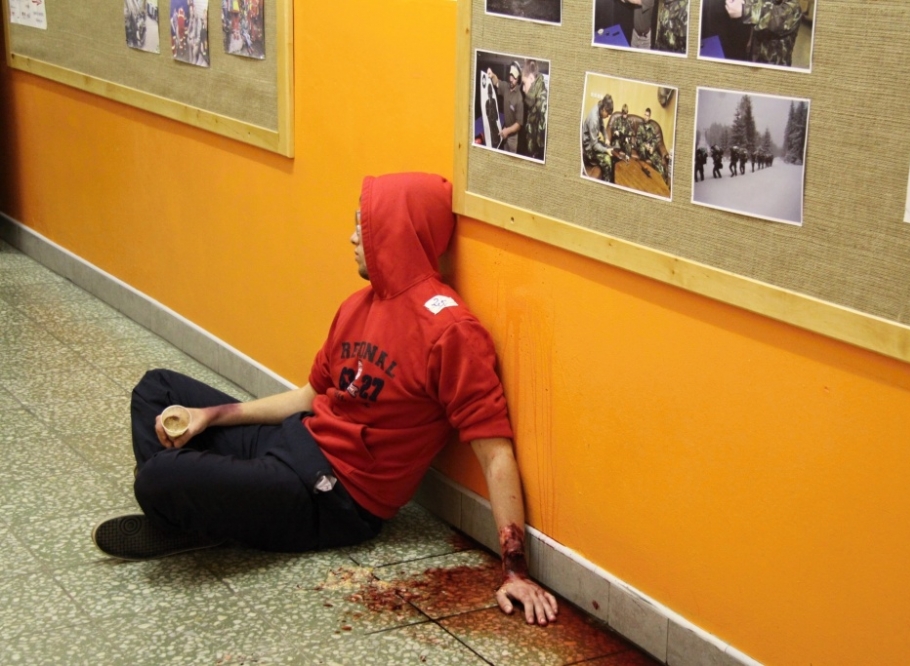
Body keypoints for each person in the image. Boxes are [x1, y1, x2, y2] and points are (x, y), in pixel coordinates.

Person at [91, 173, 559, 626]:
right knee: (158, 390)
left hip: (335, 500)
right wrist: (210, 416)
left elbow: (496, 454)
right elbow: (307, 397)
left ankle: (192, 505)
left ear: (397, 232)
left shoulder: (451, 333)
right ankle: (197, 513)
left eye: (364, 226)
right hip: (297, 441)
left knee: (158, 476)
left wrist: (515, 570)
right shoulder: (358, 306)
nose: (353, 237)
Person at [725, 0, 803, 67]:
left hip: (775, 69)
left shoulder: (794, 8)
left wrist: (744, 10)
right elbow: (757, 3)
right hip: (754, 59)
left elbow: (776, 18)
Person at [487, 62, 525, 154]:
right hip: (505, 131)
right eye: (510, 76)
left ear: (518, 78)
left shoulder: (520, 98)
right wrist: (492, 75)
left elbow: (519, 124)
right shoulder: (506, 87)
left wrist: (507, 131)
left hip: (512, 136)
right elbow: (497, 82)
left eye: (514, 77)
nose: (511, 79)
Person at [582, 94, 616, 183]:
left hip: (594, 142)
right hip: (588, 149)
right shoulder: (594, 119)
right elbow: (594, 145)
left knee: (611, 149)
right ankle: (606, 184)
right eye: (607, 114)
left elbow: (602, 127)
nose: (608, 116)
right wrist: (605, 150)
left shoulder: (599, 108)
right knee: (607, 161)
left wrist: (606, 138)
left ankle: (610, 180)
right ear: (604, 109)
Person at [521, 60, 548, 161]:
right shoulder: (533, 100)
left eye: (524, 83)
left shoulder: (543, 104)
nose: (523, 88)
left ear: (531, 78)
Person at [635, 108, 669, 187]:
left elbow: (655, 140)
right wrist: (645, 145)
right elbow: (638, 140)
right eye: (645, 115)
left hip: (650, 151)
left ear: (649, 117)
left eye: (647, 115)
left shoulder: (652, 128)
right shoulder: (640, 127)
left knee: (661, 165)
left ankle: (663, 184)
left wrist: (652, 147)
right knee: (642, 148)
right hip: (642, 149)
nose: (645, 117)